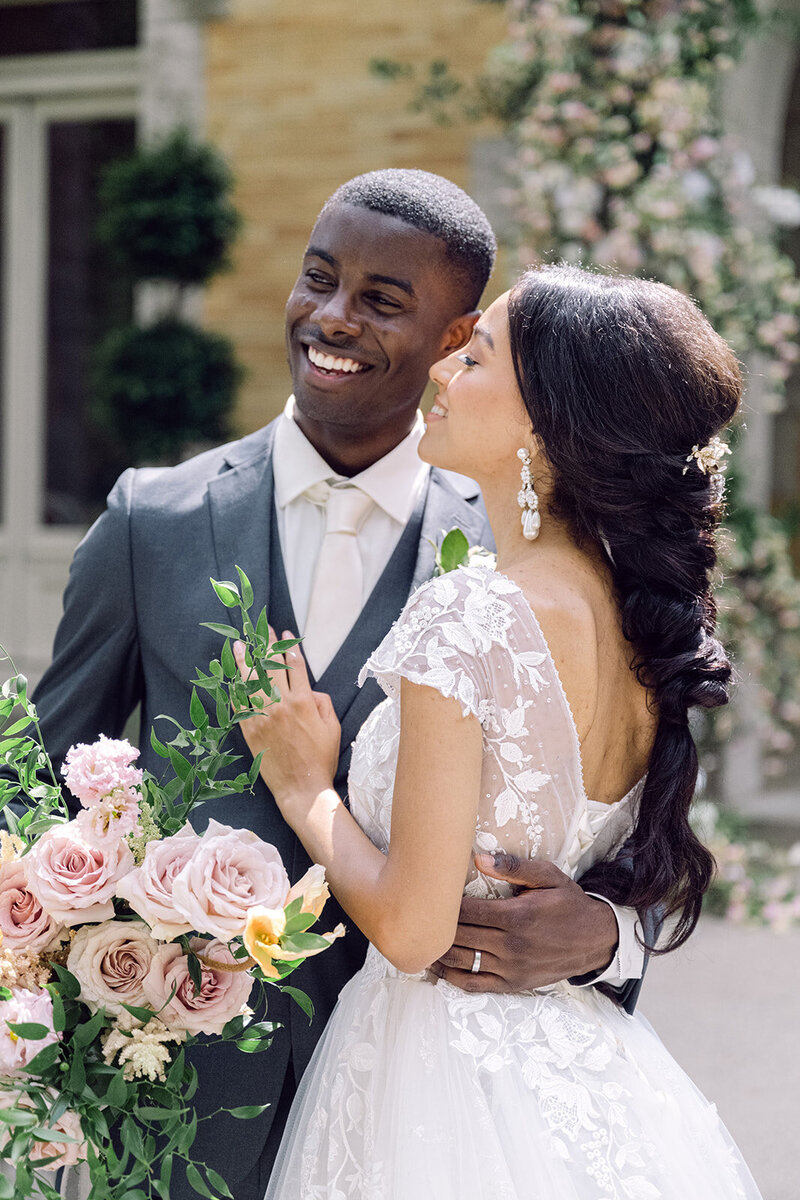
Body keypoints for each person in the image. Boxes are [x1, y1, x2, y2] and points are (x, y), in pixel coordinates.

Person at [33, 172, 643, 1199]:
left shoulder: (516, 550)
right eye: (317, 280)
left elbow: (623, 800)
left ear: (456, 341)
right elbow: (46, 787)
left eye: (379, 300)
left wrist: (609, 936)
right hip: (170, 1102)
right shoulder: (153, 521)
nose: (329, 318)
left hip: (423, 1107)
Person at [234, 264, 763, 1199]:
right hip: (585, 1071)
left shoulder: (473, 611)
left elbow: (411, 927)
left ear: (545, 425)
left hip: (434, 1075)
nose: (441, 373)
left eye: (475, 359)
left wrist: (305, 789)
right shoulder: (633, 618)